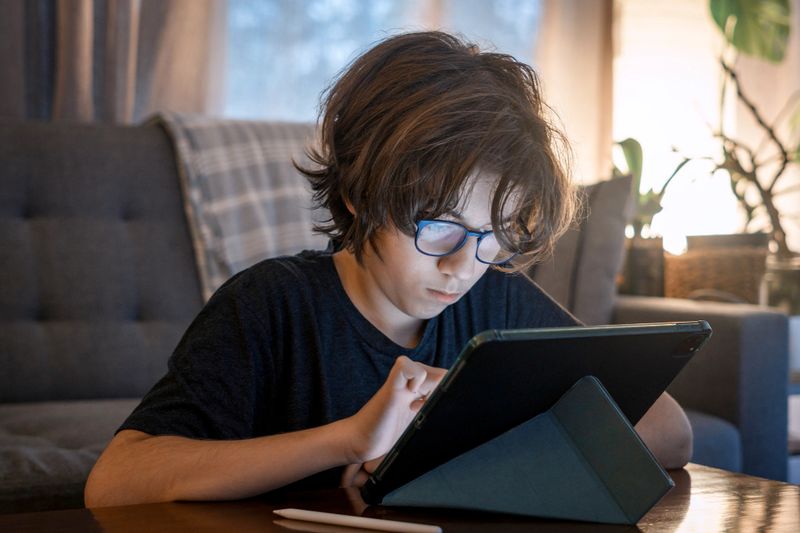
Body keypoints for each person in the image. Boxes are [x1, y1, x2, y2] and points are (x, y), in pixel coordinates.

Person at [84, 31, 692, 507]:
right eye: (439, 226)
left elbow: (671, 432)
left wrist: (452, 438)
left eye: (491, 237)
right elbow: (115, 480)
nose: (462, 266)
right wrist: (349, 439)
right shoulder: (271, 306)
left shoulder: (496, 302)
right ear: (359, 193)